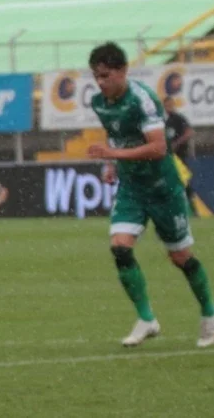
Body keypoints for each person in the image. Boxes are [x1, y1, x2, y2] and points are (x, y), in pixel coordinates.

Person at [86, 42, 214, 349]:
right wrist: (111, 163)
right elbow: (115, 134)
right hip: (132, 189)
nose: (100, 82)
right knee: (119, 247)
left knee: (180, 257)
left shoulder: (142, 100)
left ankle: (209, 315)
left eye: (105, 75)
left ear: (122, 71)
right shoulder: (99, 102)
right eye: (96, 76)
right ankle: (147, 319)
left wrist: (114, 153)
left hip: (163, 190)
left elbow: (158, 148)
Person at [163, 96, 196, 208]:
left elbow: (189, 132)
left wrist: (177, 143)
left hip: (179, 156)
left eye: (170, 105)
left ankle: (192, 205)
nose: (168, 107)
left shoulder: (178, 118)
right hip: (168, 156)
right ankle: (174, 205)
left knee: (183, 179)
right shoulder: (164, 121)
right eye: (166, 105)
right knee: (170, 181)